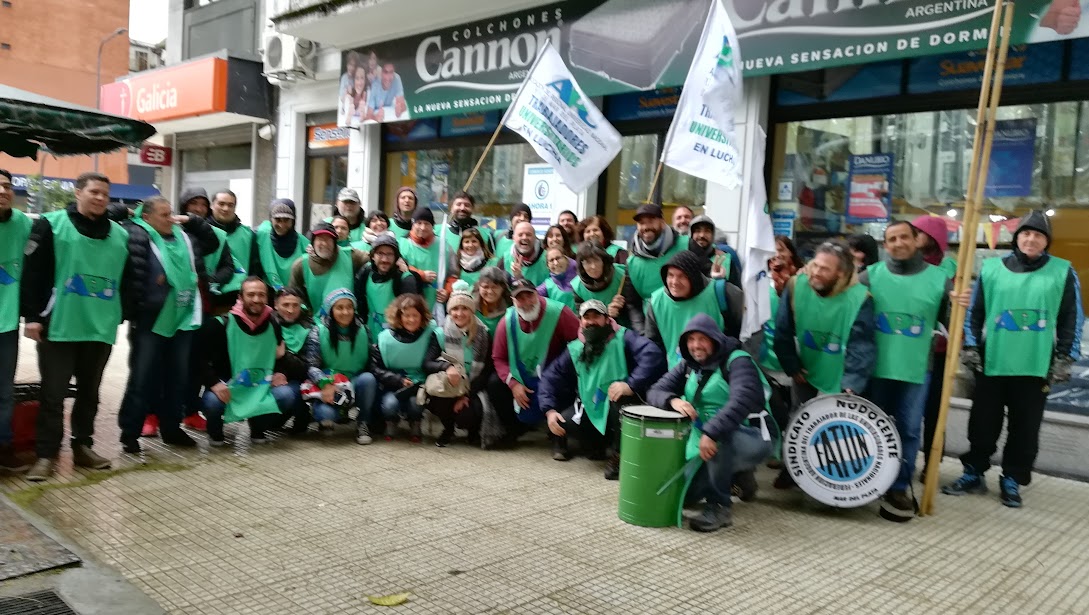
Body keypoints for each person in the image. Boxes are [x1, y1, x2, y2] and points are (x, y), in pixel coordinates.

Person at [944, 212, 1083, 508]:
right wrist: (970, 346)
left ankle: (1012, 478)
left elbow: (1072, 316)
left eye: (1038, 235)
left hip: (1035, 365)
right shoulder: (992, 269)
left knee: (1025, 428)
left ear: (1047, 241)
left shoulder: (1062, 271)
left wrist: (1065, 356)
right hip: (993, 361)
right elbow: (975, 312)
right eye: (1026, 234)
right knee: (982, 423)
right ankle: (974, 472)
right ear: (1016, 237)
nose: (1031, 239)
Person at [21, 172, 130, 481]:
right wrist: (32, 317)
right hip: (60, 325)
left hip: (100, 327)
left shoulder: (119, 235)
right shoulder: (51, 224)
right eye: (94, 192)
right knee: (53, 395)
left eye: (105, 195)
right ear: (78, 192)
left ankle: (83, 446)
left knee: (90, 393)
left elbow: (128, 279)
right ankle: (46, 455)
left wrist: (123, 313)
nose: (100, 198)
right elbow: (33, 274)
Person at [859, 221, 950, 522]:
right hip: (877, 367)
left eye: (903, 237)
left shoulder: (940, 280)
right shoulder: (868, 277)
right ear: (885, 246)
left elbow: (951, 321)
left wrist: (959, 304)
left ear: (917, 240)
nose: (897, 243)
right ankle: (869, 479)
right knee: (873, 429)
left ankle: (899, 486)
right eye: (891, 239)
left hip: (916, 367)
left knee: (909, 429)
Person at [647, 314, 772, 532]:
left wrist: (712, 431)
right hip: (707, 438)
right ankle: (737, 476)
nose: (696, 345)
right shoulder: (688, 365)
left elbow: (742, 399)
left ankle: (720, 505)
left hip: (753, 435)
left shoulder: (738, 361)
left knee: (722, 440)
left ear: (715, 339)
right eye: (691, 339)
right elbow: (655, 391)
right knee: (685, 495)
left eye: (702, 339)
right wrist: (673, 400)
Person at [118, 197, 220, 453]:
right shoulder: (137, 236)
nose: (170, 218)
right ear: (147, 217)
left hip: (183, 317)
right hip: (151, 320)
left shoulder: (185, 237)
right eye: (164, 214)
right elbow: (112, 221)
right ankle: (130, 432)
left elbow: (212, 242)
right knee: (143, 377)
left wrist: (194, 220)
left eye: (171, 213)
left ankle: (172, 428)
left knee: (178, 377)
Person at [539, 300, 666, 476]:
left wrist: (631, 384)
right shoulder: (576, 347)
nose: (591, 321)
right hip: (591, 404)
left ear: (606, 319)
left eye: (596, 316)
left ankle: (621, 455)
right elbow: (551, 377)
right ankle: (598, 444)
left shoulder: (624, 337)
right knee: (563, 421)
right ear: (580, 321)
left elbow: (652, 355)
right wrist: (549, 410)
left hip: (619, 403)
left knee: (620, 402)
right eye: (587, 317)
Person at [200, 277, 302, 447]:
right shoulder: (219, 325)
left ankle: (258, 427)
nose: (256, 299)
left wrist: (281, 372)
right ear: (240, 297)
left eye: (261, 295)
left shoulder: (273, 324)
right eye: (251, 294)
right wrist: (214, 383)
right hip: (227, 386)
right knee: (212, 402)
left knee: (286, 395)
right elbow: (199, 359)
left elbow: (280, 355)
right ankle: (215, 431)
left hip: (258, 386)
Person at [773, 241, 875, 403]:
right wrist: (791, 365)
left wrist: (852, 382)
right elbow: (782, 330)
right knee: (800, 417)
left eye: (825, 269)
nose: (816, 272)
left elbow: (861, 345)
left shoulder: (860, 298)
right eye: (815, 265)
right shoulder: (797, 286)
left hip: (841, 375)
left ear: (841, 273)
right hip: (806, 369)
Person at [490, 278, 579, 447]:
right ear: (513, 301)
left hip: (554, 373)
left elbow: (579, 341)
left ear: (537, 294)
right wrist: (513, 383)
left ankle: (559, 437)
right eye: (520, 298)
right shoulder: (507, 321)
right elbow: (498, 357)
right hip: (524, 376)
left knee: (567, 378)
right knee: (495, 383)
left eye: (529, 296)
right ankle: (514, 430)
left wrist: (562, 364)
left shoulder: (559, 312)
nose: (526, 302)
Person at [302, 289, 379, 444]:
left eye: (349, 307)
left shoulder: (364, 330)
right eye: (340, 307)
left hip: (356, 382)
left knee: (368, 379)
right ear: (331, 310)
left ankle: (363, 422)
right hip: (330, 383)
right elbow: (311, 365)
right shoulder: (318, 331)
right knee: (325, 413)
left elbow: (371, 363)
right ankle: (333, 415)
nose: (345, 312)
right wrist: (325, 383)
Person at [912, 215, 956, 479]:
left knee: (934, 410)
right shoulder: (907, 264)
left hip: (939, 353)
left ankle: (931, 462)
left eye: (918, 232)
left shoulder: (948, 269)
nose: (913, 237)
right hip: (908, 349)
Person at [646, 251, 743, 369]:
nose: (674, 282)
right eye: (670, 275)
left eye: (682, 276)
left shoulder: (722, 293)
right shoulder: (656, 302)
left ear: (693, 278)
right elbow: (653, 346)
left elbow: (747, 332)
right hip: (677, 376)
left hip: (719, 373)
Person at [371, 294, 443, 442]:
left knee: (415, 404)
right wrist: (398, 380)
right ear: (399, 316)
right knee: (390, 405)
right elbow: (376, 368)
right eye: (407, 315)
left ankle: (415, 421)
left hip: (420, 385)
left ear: (422, 316)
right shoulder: (384, 338)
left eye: (415, 315)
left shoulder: (432, 334)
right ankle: (391, 421)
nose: (411, 320)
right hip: (393, 385)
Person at [427, 281, 491, 447]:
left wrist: (466, 395)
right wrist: (447, 367)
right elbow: (427, 363)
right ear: (449, 311)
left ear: (472, 310)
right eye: (455, 308)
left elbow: (486, 371)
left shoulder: (483, 334)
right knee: (437, 401)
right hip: (450, 384)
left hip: (472, 385)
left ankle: (473, 431)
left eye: (465, 308)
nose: (459, 313)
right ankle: (448, 429)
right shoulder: (440, 333)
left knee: (469, 414)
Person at [0, 169, 30, 472]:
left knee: (4, 391)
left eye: (7, 186)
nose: (2, 190)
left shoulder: (24, 224)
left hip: (6, 324)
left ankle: (4, 447)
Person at [626, 203, 689, 332]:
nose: (646, 227)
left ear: (662, 222)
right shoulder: (632, 262)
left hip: (686, 325)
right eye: (641, 223)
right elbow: (633, 303)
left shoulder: (686, 245)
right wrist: (642, 333)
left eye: (650, 221)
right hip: (653, 330)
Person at [288, 222, 368, 317]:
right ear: (313, 242)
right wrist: (306, 314)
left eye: (329, 239)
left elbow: (374, 258)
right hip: (318, 323)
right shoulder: (300, 265)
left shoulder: (351, 256)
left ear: (335, 242)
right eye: (320, 239)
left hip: (348, 320)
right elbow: (292, 297)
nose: (325, 243)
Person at [354, 234, 418, 339]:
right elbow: (359, 300)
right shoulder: (365, 272)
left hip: (396, 336)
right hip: (371, 332)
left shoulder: (405, 279)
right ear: (373, 256)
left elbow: (411, 314)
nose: (384, 259)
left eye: (389, 254)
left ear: (396, 257)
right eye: (380, 253)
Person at [271, 287, 314, 434]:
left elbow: (307, 367)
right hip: (267, 378)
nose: (290, 310)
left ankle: (302, 416)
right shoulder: (266, 323)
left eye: (295, 305)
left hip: (297, 380)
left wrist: (284, 355)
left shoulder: (309, 327)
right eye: (286, 305)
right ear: (276, 305)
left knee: (294, 390)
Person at [571, 242, 639, 330]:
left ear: (603, 260)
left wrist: (622, 307)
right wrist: (607, 314)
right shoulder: (577, 287)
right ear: (581, 265)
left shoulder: (622, 274)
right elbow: (583, 320)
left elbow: (636, 308)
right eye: (587, 262)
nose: (593, 266)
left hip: (627, 329)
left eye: (596, 260)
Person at [208, 189, 257, 311]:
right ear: (212, 205)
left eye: (230, 205)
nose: (226, 208)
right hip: (210, 299)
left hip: (240, 301)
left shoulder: (248, 234)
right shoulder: (202, 231)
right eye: (221, 204)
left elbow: (255, 268)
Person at [255, 199, 309, 291]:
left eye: (286, 220)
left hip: (294, 297)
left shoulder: (305, 244)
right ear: (271, 219)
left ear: (293, 221)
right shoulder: (261, 236)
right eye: (277, 219)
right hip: (267, 295)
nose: (281, 225)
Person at [398, 208, 442, 306]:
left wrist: (447, 290)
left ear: (432, 226)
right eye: (419, 223)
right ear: (413, 224)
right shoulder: (402, 244)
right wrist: (420, 275)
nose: (422, 227)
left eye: (427, 224)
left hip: (436, 303)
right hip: (409, 300)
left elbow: (453, 273)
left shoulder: (443, 246)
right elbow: (400, 267)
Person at [688, 215, 741, 287]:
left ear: (713, 235)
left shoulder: (726, 260)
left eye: (707, 231)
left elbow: (737, 293)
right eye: (697, 231)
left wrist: (721, 282)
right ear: (691, 234)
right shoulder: (684, 259)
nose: (702, 235)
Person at [443, 227, 495, 294]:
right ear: (462, 245)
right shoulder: (456, 264)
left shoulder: (492, 263)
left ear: (480, 243)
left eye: (474, 241)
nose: (470, 245)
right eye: (467, 242)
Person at [497, 221, 550, 286]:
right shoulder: (505, 260)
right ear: (514, 238)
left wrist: (519, 278)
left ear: (535, 238)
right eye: (520, 235)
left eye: (528, 234)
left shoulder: (548, 258)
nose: (524, 237)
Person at [473, 266, 511, 337]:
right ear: (479, 287)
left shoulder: (511, 308)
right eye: (485, 287)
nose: (490, 291)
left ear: (502, 288)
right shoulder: (470, 306)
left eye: (494, 287)